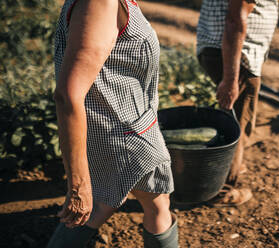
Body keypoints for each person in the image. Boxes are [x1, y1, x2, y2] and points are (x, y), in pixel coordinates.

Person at [47, 0, 178, 247]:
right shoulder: (100, 3)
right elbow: (67, 95)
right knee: (158, 206)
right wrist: (78, 185)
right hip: (125, 133)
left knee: (100, 205)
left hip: (117, 127)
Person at [197, 0, 279, 206]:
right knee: (238, 127)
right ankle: (221, 190)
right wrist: (231, 79)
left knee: (233, 120)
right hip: (236, 57)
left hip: (225, 52)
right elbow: (235, 20)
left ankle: (230, 165)